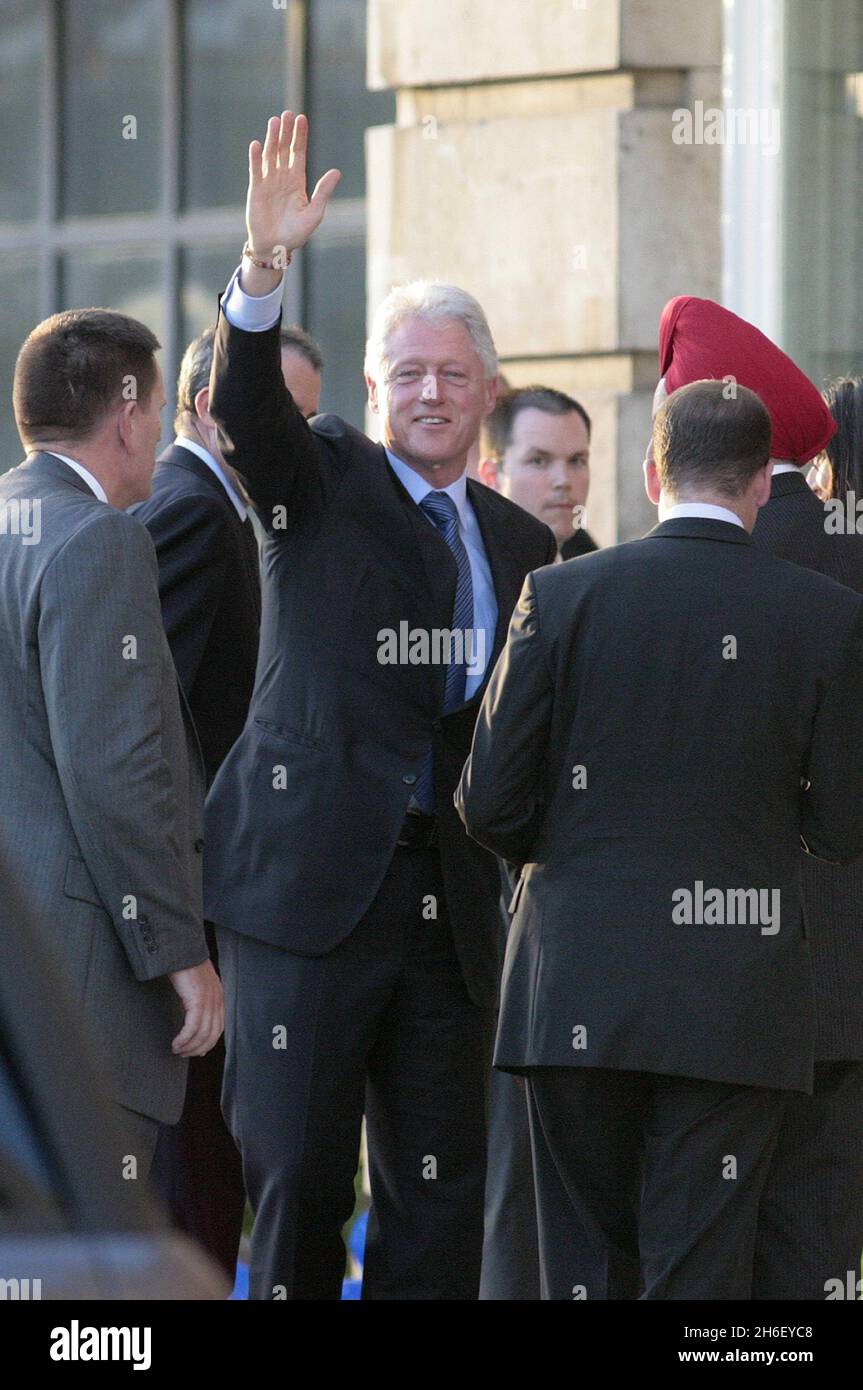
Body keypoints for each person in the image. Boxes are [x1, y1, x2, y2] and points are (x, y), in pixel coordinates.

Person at [203, 110, 557, 1300]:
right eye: (407, 372)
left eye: (454, 376)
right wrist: (262, 273)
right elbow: (246, 409)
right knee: (300, 1176)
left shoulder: (517, 540)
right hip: (305, 888)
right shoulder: (320, 477)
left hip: (449, 906)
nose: (430, 393)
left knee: (442, 1191)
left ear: (488, 395)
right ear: (369, 383)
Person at [456, 379, 863, 1300]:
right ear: (763, 482)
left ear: (648, 475)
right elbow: (842, 826)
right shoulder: (825, 615)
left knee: (582, 1265)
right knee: (701, 1269)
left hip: (571, 986)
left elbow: (486, 804)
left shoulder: (557, 596)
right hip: (736, 998)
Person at [658, 297, 863, 1299]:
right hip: (838, 985)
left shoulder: (625, 582)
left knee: (697, 1254)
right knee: (811, 1250)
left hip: (690, 988)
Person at [0, 309, 223, 1188]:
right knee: (94, 1280)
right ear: (128, 418)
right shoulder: (100, 541)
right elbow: (116, 775)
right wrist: (180, 954)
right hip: (81, 999)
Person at [129, 320, 321, 1280]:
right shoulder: (192, 509)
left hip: (205, 892)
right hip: (192, 899)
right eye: (282, 417)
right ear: (211, 409)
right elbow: (137, 718)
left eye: (311, 423)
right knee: (194, 1167)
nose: (297, 445)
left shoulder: (222, 507)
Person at [480, 387, 597, 558]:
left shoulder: (595, 568)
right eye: (538, 461)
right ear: (491, 476)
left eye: (576, 461)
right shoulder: (465, 575)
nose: (563, 480)